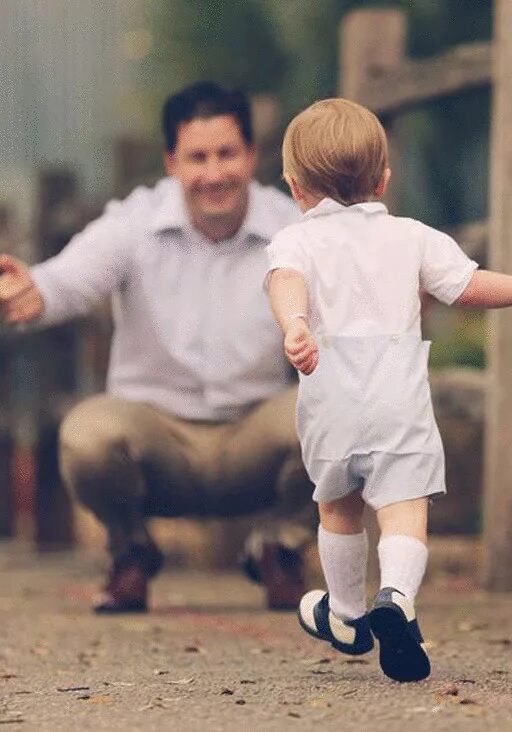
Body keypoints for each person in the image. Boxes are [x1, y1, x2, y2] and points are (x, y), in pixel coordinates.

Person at [265, 98, 512, 682]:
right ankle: (398, 599)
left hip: (329, 395)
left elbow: (286, 282)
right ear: (384, 179)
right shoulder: (412, 236)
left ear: (294, 187)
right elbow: (469, 287)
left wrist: (295, 324)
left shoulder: (295, 242)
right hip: (396, 398)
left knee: (339, 509)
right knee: (404, 511)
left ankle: (349, 614)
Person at [0, 81, 316, 613]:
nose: (213, 174)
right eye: (197, 157)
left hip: (256, 436)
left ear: (252, 156)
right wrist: (33, 291)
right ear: (171, 161)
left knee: (346, 407)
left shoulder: (293, 228)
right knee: (88, 434)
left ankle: (281, 547)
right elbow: (70, 278)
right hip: (156, 444)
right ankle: (130, 551)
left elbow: (347, 305)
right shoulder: (133, 223)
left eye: (226, 154)